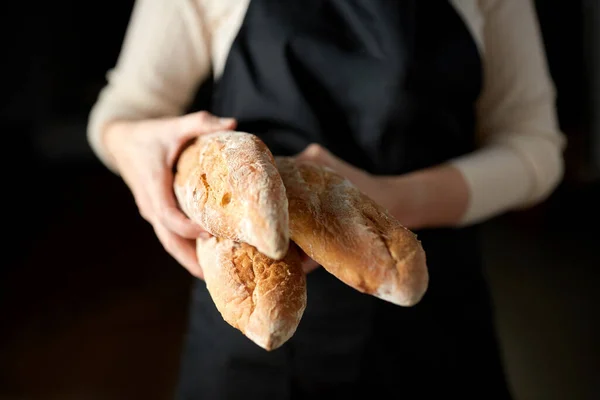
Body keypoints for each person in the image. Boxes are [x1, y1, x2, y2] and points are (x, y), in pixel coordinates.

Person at [87, 0, 566, 398]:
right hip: (253, 318)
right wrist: (136, 153)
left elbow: (535, 147)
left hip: (431, 313)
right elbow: (123, 111)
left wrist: (388, 200)